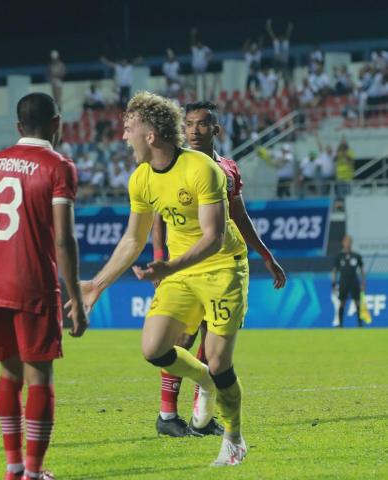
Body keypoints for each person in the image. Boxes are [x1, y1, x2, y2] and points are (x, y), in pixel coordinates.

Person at [74, 91, 249, 466]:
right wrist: (96, 284)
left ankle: (234, 437)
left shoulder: (202, 169)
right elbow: (132, 239)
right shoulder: (140, 178)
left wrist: (168, 266)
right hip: (181, 271)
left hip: (222, 266)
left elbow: (214, 236)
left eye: (128, 128)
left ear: (150, 135)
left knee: (221, 364)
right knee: (154, 349)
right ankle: (204, 380)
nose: (123, 136)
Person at [0, 92, 88, 480]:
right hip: (33, 284)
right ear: (56, 123)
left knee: (9, 375)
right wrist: (76, 297)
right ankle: (34, 470)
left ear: (18, 127)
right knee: (39, 377)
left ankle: (13, 468)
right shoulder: (59, 166)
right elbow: (64, 240)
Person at [146, 101, 286, 438]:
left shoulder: (228, 168)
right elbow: (158, 218)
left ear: (216, 129)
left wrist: (264, 253)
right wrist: (160, 261)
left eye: (203, 124)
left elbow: (238, 215)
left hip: (223, 266)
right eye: (190, 124)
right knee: (178, 340)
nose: (194, 130)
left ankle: (201, 418)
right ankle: (167, 414)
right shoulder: (173, 164)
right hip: (185, 264)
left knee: (212, 348)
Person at [332, 235, 367, 327]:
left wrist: (363, 282)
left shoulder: (356, 256)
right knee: (342, 302)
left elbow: (362, 270)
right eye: (346, 241)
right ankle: (340, 324)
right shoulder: (339, 256)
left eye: (349, 241)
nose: (348, 243)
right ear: (343, 243)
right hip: (343, 281)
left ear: (351, 243)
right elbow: (334, 271)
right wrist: (334, 283)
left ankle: (360, 324)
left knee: (357, 302)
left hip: (354, 281)